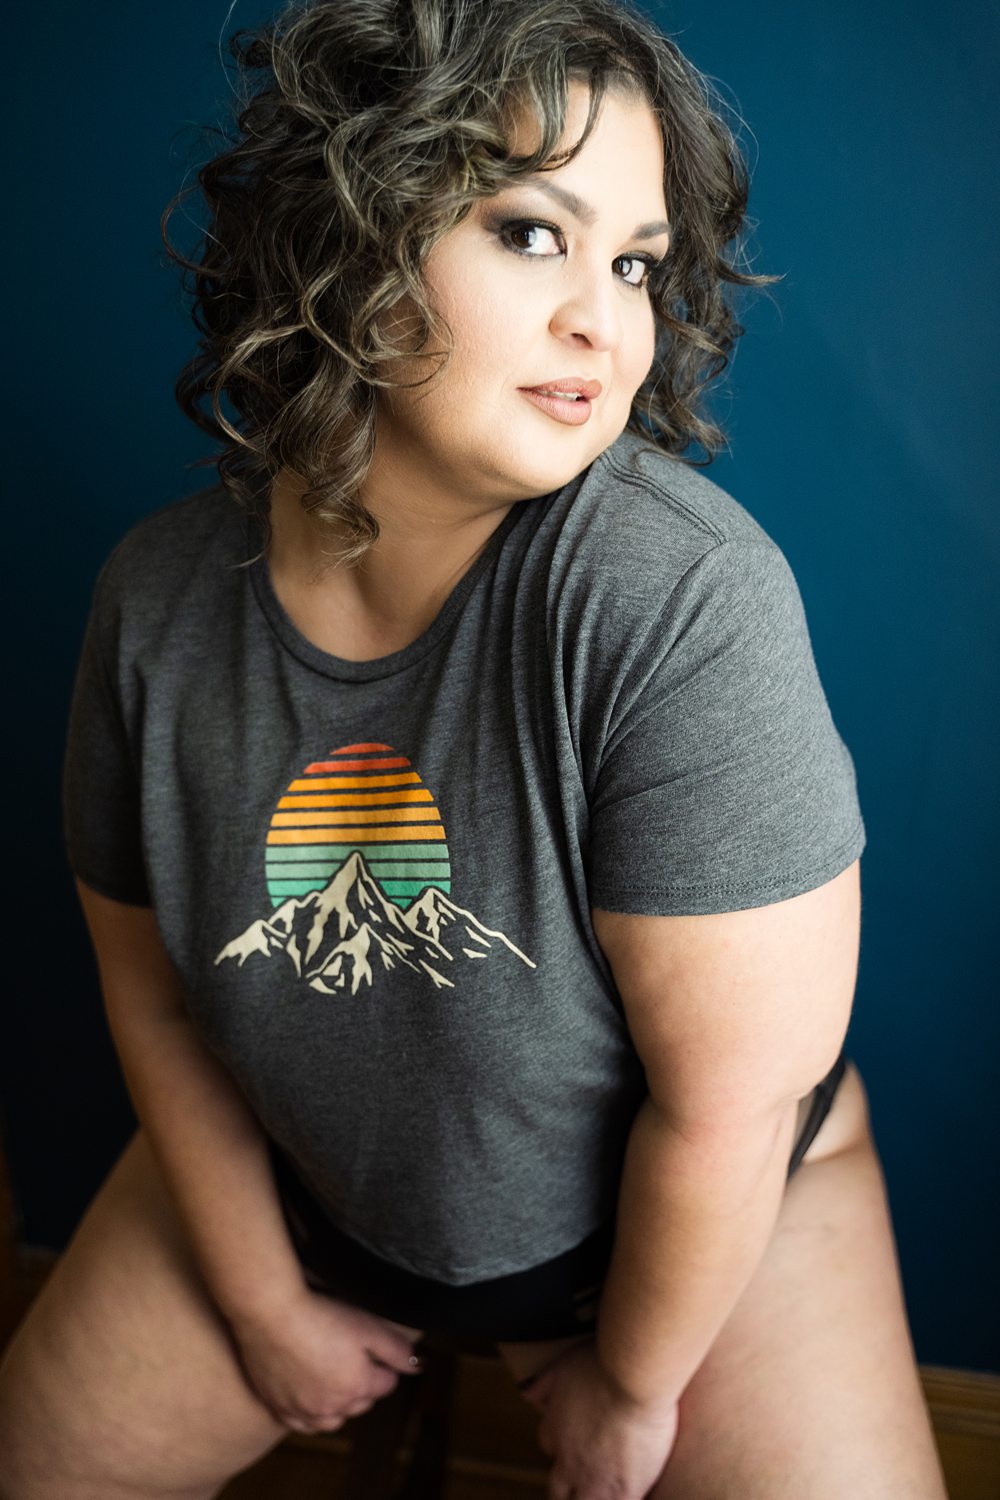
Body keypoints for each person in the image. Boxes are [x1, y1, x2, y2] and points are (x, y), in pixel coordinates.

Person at [0, 1, 948, 1496]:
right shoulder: (156, 602)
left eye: (634, 263)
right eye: (530, 233)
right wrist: (263, 1304)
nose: (605, 322)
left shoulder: (679, 597)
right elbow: (157, 1001)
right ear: (347, 241)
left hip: (697, 1224)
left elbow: (729, 1108)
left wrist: (633, 1384)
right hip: (307, 1192)